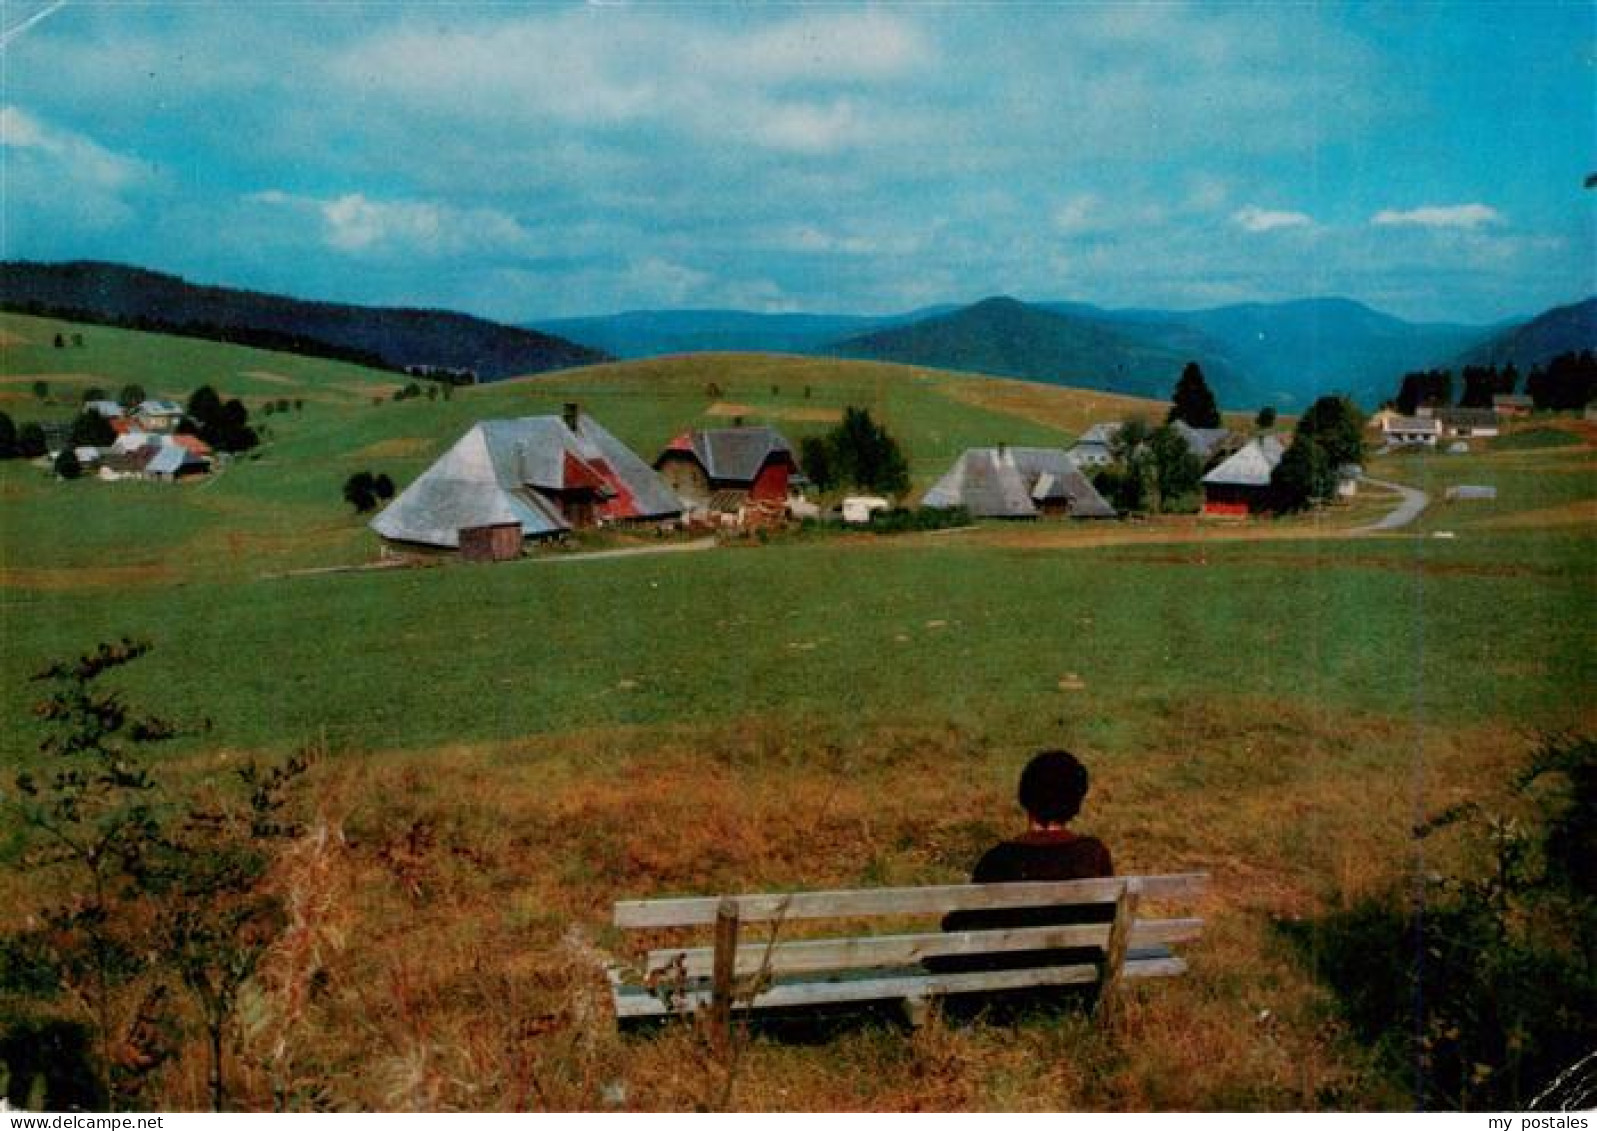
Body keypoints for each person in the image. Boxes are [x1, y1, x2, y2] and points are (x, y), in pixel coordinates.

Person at [931, 749, 1114, 979]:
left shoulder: (999, 858)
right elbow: (1107, 917)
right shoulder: (1093, 853)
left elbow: (964, 924)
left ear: (1025, 797)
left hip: (1007, 976)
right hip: (1079, 971)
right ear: (1076, 802)